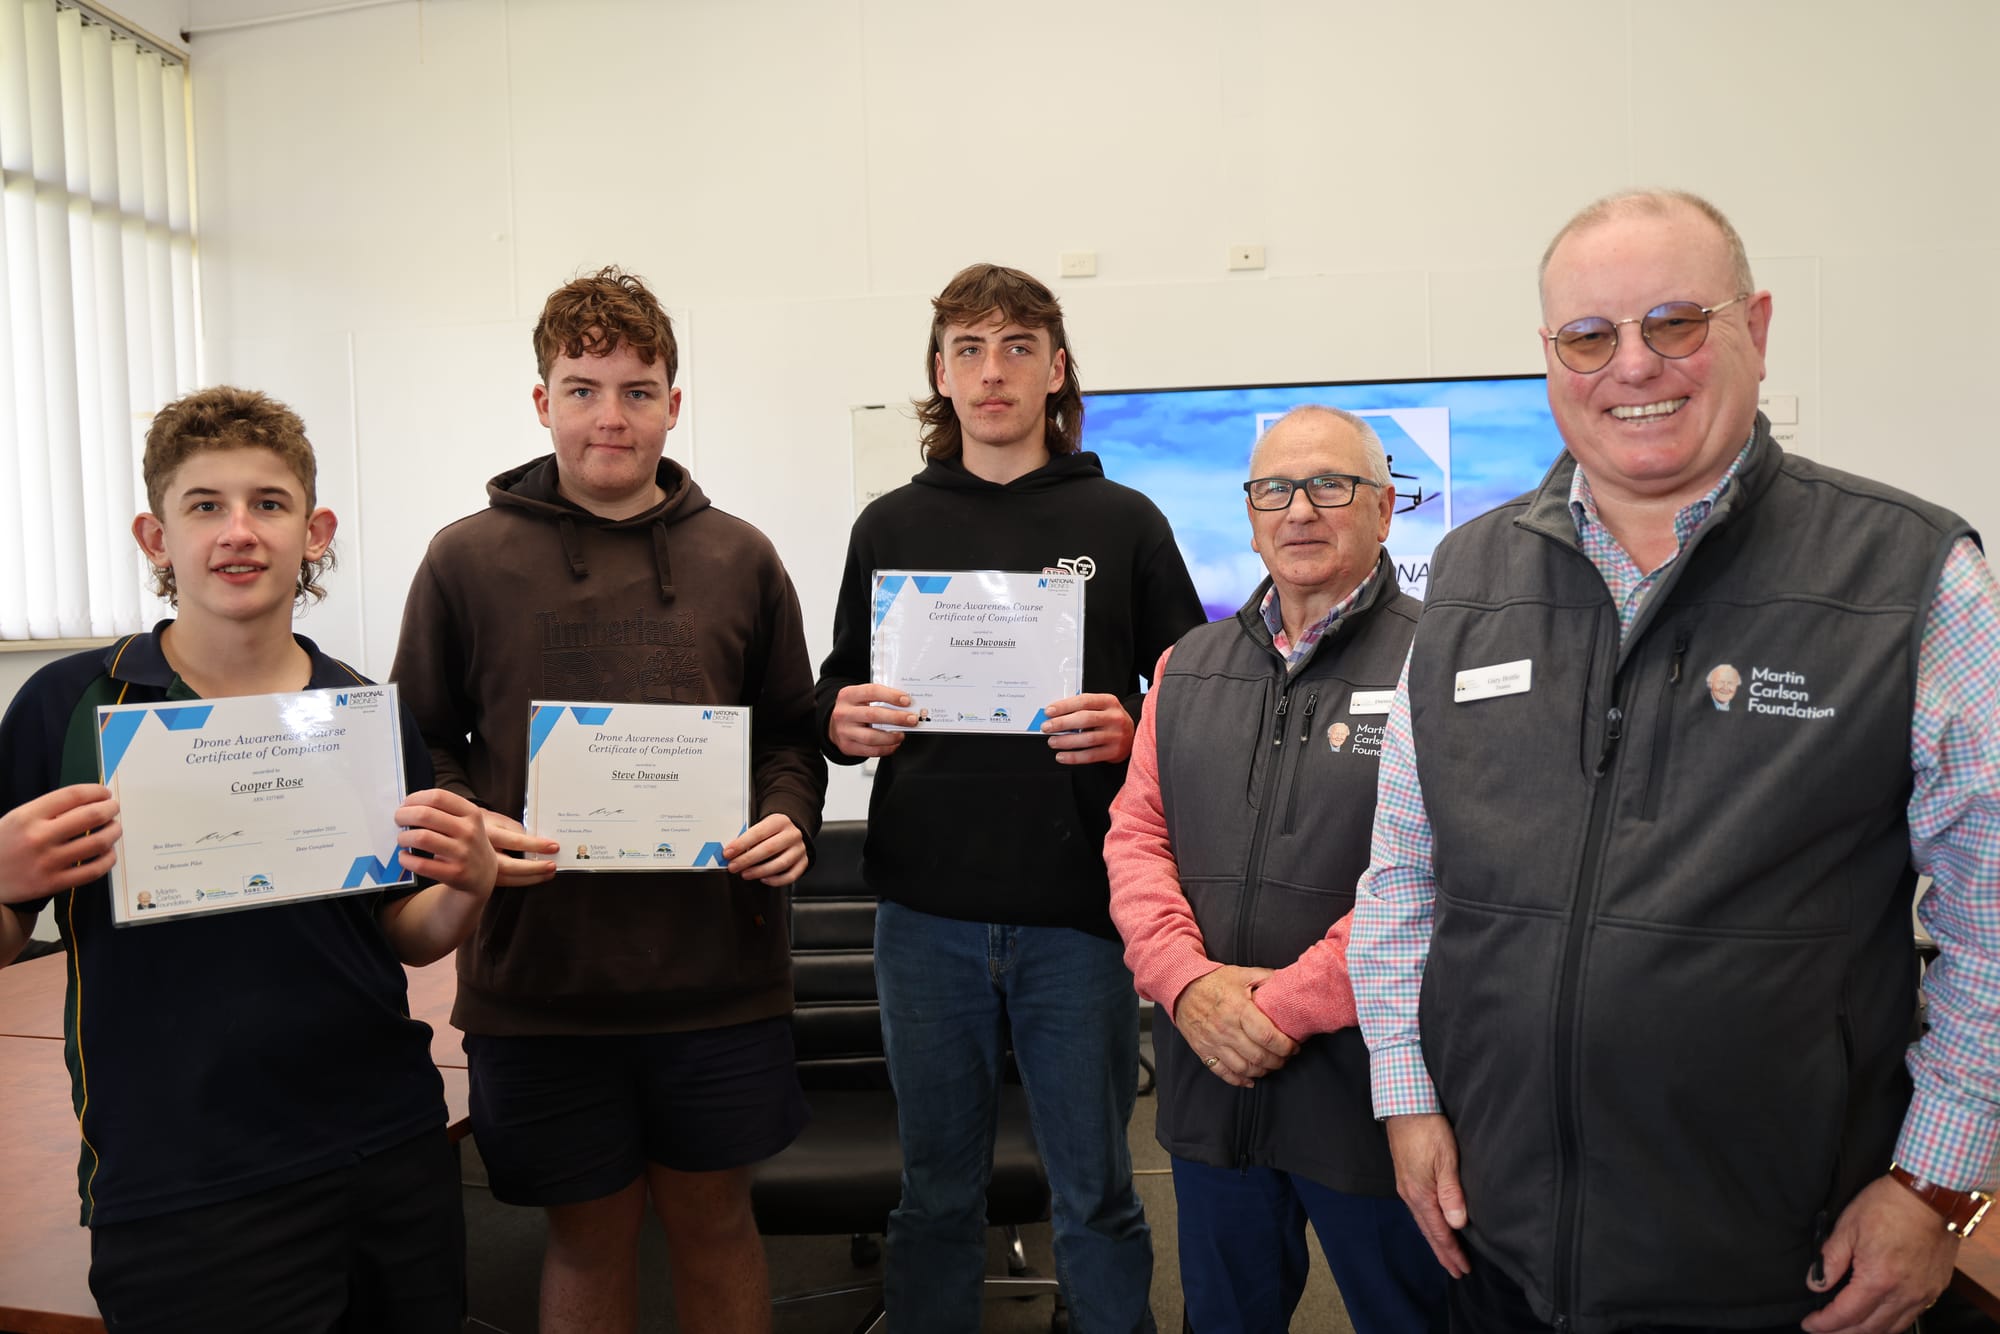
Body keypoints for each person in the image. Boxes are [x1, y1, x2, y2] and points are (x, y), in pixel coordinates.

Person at [1352, 189, 2000, 1334]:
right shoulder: (1464, 574)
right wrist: (1404, 1096)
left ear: (1752, 324)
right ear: (1548, 357)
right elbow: (1402, 872)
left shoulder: (1908, 574)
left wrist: (1932, 1185)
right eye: (1587, 337)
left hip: (1787, 1265)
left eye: (1674, 322)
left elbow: (1991, 909)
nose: (1631, 366)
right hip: (1502, 1244)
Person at [0, 386, 498, 1333]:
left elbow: (401, 935)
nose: (240, 532)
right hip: (185, 1177)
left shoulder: (365, 711)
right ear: (156, 537)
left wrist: (470, 885)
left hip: (389, 1147)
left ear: (315, 530)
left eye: (269, 504)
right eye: (205, 506)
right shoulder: (70, 708)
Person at [392, 266, 826, 1333]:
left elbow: (789, 732)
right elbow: (415, 745)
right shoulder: (463, 559)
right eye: (583, 387)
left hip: (716, 977)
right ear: (541, 401)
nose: (610, 415)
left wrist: (789, 814)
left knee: (716, 1224)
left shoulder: (742, 558)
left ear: (674, 404)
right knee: (585, 1237)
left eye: (637, 389)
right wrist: (472, 822)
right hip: (540, 980)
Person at [816, 262, 1203, 1332]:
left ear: (1055, 368)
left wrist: (1133, 727)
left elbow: (1197, 698)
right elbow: (832, 684)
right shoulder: (888, 525)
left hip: (1078, 913)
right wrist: (839, 718)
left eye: (1017, 347)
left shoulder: (1122, 520)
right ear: (938, 373)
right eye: (969, 349)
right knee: (933, 1192)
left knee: (1096, 1191)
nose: (993, 372)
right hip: (923, 916)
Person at [1105, 406, 1447, 1334]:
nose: (1300, 510)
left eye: (1330, 486)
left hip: (1376, 1089)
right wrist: (1188, 988)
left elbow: (1442, 873)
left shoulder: (1442, 661)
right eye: (1274, 490)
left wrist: (1276, 1009)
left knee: (1411, 1316)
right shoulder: (1187, 666)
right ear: (1250, 514)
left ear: (1384, 510)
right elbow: (1136, 841)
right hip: (1211, 1079)